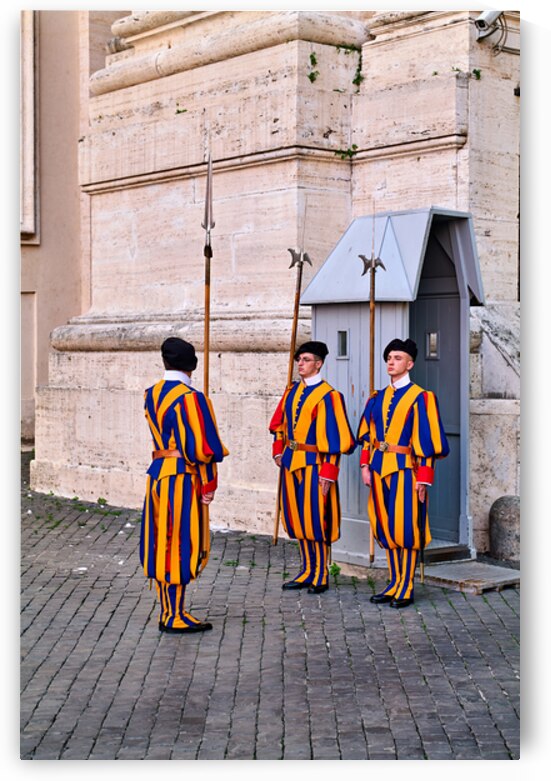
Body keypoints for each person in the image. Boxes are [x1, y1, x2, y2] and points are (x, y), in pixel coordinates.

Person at [140, 337, 229, 633]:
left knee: (162, 543)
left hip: (158, 474)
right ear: (191, 365)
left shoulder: (151, 394)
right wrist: (209, 482)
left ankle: (168, 611)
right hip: (183, 477)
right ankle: (175, 615)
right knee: (179, 543)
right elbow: (203, 448)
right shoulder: (192, 398)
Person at [357, 338, 449, 608]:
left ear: (409, 364)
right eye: (389, 357)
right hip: (377, 469)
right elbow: (367, 436)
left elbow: (428, 443)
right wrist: (365, 465)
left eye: (397, 358)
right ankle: (394, 582)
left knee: (406, 529)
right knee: (386, 528)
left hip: (406, 471)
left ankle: (406, 586)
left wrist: (424, 478)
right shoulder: (377, 398)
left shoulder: (422, 397)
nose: (391, 361)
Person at [269, 341, 356, 593]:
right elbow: (279, 426)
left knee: (317, 520)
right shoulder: (291, 391)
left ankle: (320, 573)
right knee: (298, 519)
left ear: (318, 363)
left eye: (306, 360)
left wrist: (329, 472)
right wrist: (278, 452)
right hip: (291, 463)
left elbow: (335, 440)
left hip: (316, 465)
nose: (300, 364)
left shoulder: (330, 396)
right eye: (299, 360)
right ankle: (307, 569)